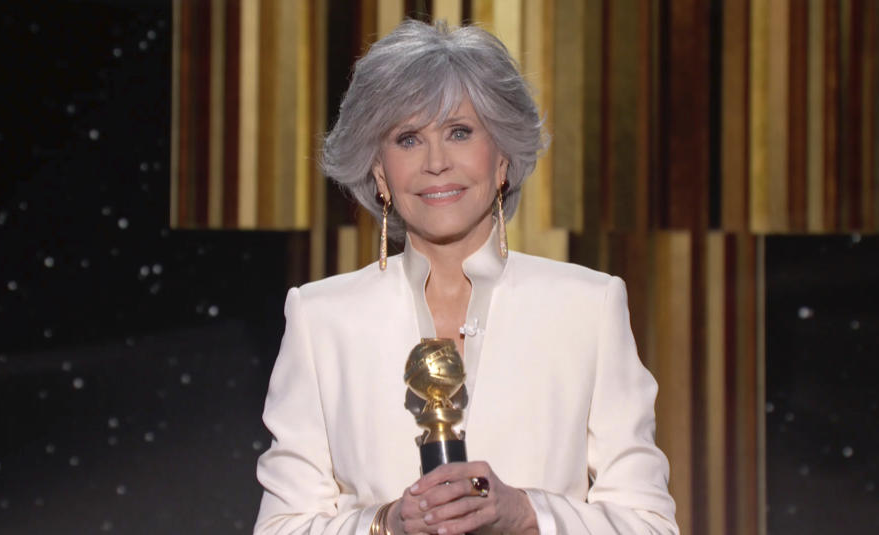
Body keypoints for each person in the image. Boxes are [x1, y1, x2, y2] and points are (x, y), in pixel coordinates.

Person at [253, 19, 678, 535]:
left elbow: (649, 525)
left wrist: (528, 514)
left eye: (459, 132)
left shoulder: (589, 306)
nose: (436, 162)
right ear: (380, 172)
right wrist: (387, 524)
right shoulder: (320, 317)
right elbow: (281, 527)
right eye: (408, 139)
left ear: (501, 159)